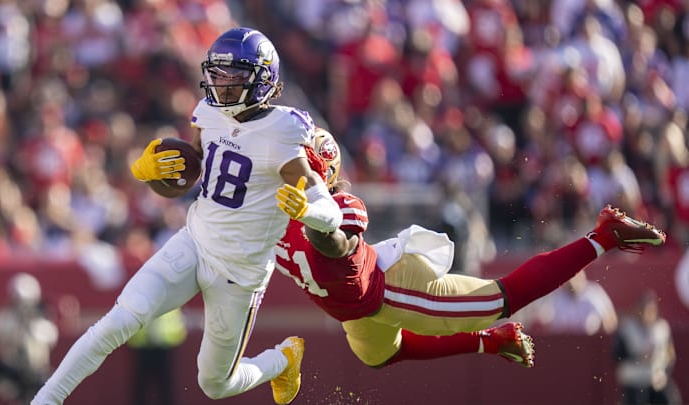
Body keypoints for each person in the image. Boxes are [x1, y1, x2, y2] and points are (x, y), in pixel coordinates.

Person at [32, 27, 343, 405]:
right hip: (194, 242)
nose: (223, 83)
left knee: (215, 385)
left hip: (239, 274)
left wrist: (311, 211)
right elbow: (193, 165)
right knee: (119, 321)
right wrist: (151, 173)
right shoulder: (208, 111)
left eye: (235, 75)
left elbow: (328, 208)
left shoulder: (283, 131)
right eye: (218, 73)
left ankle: (281, 360)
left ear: (263, 80)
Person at [274, 128, 666, 370]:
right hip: (355, 308)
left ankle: (604, 236)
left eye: (303, 167)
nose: (294, 173)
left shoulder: (342, 206)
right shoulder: (265, 210)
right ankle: (493, 341)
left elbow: (334, 241)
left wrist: (314, 217)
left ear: (323, 173)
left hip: (388, 287)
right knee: (378, 356)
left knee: (501, 300)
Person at [0, 273, 58, 404]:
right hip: (11, 368)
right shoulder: (7, 315)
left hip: (35, 371)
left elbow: (50, 337)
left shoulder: (41, 318)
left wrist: (31, 324)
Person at [613, 290, 682, 405]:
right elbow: (617, 355)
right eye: (644, 309)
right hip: (634, 381)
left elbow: (670, 355)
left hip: (655, 379)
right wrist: (638, 357)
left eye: (651, 310)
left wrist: (664, 372)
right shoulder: (627, 329)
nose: (647, 313)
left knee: (670, 399)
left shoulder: (662, 329)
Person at [531, 270, 618, 335]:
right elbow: (543, 323)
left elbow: (610, 321)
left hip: (590, 345)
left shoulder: (594, 293)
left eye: (575, 276)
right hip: (562, 345)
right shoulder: (555, 296)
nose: (572, 281)